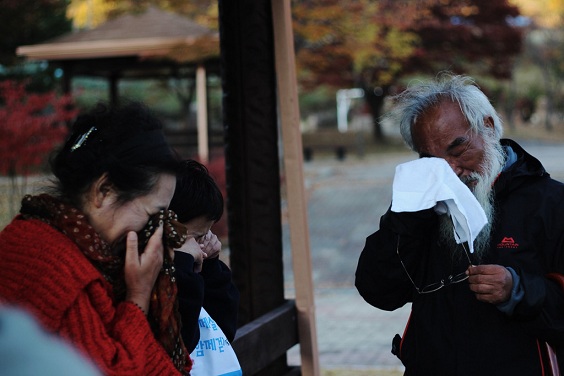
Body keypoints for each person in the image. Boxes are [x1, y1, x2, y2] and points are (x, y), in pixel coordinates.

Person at [355, 73, 564, 375]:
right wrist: (405, 218)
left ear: (488, 128)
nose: (451, 171)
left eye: (458, 150)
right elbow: (378, 292)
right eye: (433, 161)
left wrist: (518, 290)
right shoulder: (420, 206)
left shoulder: (551, 203)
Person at [0, 101, 191, 375]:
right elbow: (113, 371)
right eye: (152, 214)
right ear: (104, 190)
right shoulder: (60, 270)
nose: (157, 230)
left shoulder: (54, 238)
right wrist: (139, 296)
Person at [169, 159, 240, 352]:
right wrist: (182, 264)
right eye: (196, 237)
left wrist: (211, 266)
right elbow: (181, 343)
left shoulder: (197, 260)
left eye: (206, 235)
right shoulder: (152, 272)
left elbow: (223, 330)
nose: (202, 245)